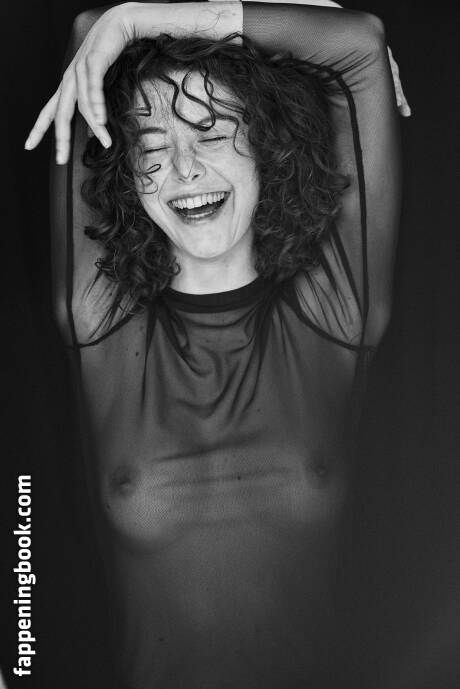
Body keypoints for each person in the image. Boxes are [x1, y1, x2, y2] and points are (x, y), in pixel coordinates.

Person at [25, 2, 404, 687]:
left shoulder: (335, 312)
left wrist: (133, 21)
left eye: (210, 131)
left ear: (266, 141)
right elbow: (89, 38)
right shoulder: (101, 317)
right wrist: (122, 27)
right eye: (150, 148)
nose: (184, 168)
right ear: (126, 174)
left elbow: (359, 44)